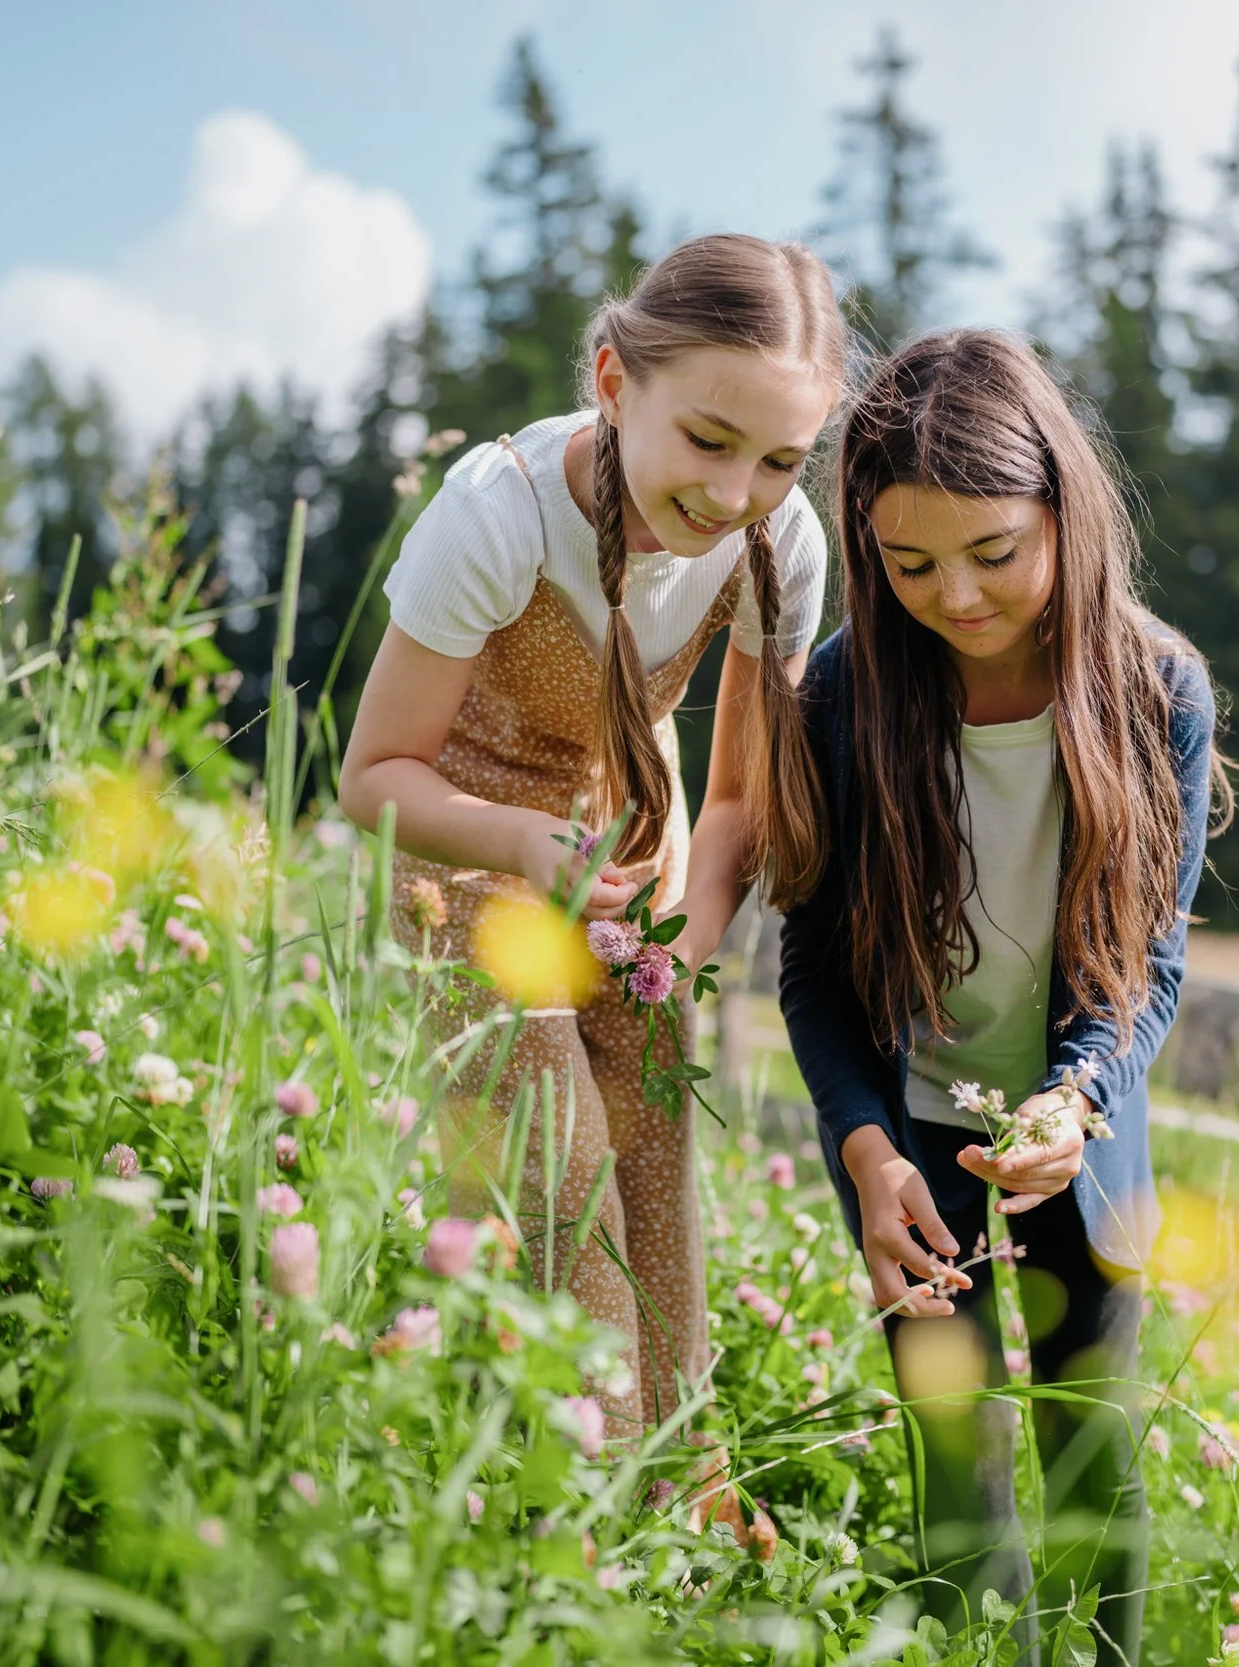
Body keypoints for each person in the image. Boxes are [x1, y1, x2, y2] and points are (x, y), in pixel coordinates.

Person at [337, 234, 845, 1431]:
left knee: (653, 1162)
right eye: (708, 439)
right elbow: (372, 776)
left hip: (632, 844)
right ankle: (581, 1492)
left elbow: (738, 793)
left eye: (780, 459)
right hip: (468, 851)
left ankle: (675, 1474)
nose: (734, 492)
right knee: (557, 1175)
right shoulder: (496, 515)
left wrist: (690, 937)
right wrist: (523, 845)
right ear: (615, 382)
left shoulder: (781, 544)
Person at [774, 329, 1227, 1665]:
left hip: (1080, 1142)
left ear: (1063, 513)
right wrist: (866, 1151)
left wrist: (1075, 1099)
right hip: (907, 1136)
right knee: (955, 1481)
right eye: (909, 564)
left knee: (1093, 1459)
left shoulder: (1158, 689)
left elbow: (1147, 963)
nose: (954, 595)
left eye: (993, 552)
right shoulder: (845, 689)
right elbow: (814, 963)